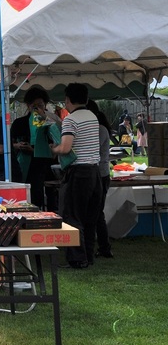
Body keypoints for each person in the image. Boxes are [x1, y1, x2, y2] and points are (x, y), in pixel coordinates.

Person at [50, 83, 102, 269]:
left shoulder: (70, 120)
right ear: (86, 99)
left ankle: (77, 259)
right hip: (94, 171)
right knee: (90, 217)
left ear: (67, 100)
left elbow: (65, 148)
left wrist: (53, 148)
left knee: (73, 216)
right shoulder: (93, 117)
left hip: (78, 172)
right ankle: (88, 255)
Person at [10, 86, 60, 210]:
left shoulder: (51, 122)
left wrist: (34, 150)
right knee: (29, 199)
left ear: (45, 105)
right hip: (25, 167)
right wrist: (18, 146)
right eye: (34, 106)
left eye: (40, 105)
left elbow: (56, 144)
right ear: (28, 106)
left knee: (48, 199)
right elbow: (9, 144)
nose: (37, 109)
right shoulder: (19, 123)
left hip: (45, 167)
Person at [86, 100, 114, 259]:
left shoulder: (100, 129)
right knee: (96, 213)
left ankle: (104, 247)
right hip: (97, 173)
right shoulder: (98, 128)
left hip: (101, 174)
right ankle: (103, 247)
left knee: (97, 213)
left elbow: (93, 149)